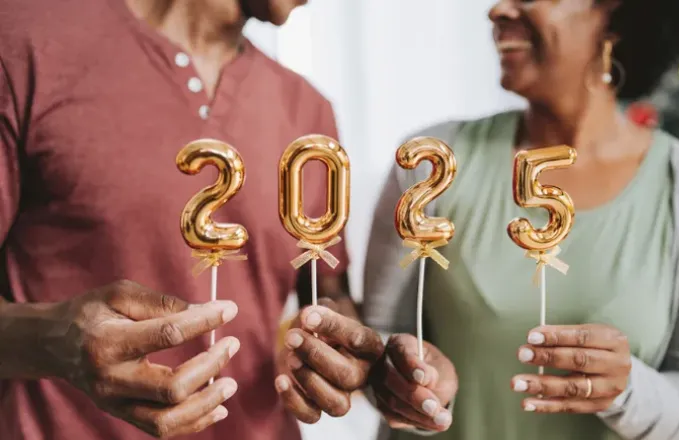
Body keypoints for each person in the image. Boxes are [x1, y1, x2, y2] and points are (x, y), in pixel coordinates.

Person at [0, 0, 391, 439]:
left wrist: (336, 352)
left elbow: (326, 291)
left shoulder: (308, 109)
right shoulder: (22, 39)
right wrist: (53, 340)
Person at [364, 0, 679, 439]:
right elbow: (377, 342)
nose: (497, 9)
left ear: (617, 16)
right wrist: (406, 382)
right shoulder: (431, 165)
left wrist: (625, 389)